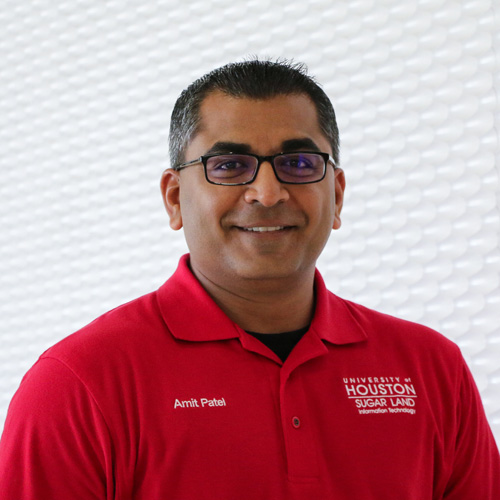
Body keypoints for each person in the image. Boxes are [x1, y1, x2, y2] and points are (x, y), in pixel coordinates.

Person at [0, 59, 498, 499]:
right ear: (174, 198)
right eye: (230, 165)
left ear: (338, 195)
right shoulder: (77, 385)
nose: (266, 192)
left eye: (299, 163)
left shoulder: (432, 370)